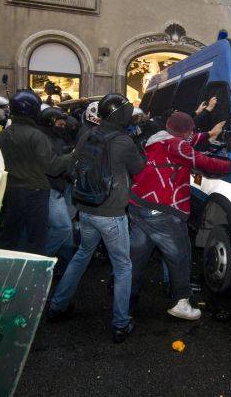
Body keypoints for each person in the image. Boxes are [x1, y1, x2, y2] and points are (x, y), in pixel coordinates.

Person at [129, 111, 231, 320]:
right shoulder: (178, 146)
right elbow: (203, 162)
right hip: (163, 209)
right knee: (180, 255)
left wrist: (208, 134)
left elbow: (187, 141)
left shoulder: (158, 138)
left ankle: (125, 301)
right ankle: (180, 302)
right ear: (186, 132)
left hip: (139, 204)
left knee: (136, 258)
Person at [47, 93, 145, 344]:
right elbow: (139, 170)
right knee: (123, 266)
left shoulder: (88, 133)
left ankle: (57, 306)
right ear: (122, 115)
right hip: (111, 214)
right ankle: (121, 323)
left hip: (86, 208)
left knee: (82, 255)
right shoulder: (124, 141)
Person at [0, 90, 73, 254]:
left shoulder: (3, 134)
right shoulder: (37, 136)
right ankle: (32, 275)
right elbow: (53, 167)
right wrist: (72, 156)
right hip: (35, 192)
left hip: (10, 190)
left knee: (12, 236)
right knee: (36, 238)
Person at [39, 106, 75, 269]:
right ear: (50, 122)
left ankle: (65, 262)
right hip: (50, 188)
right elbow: (52, 166)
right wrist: (72, 156)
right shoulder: (43, 140)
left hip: (59, 186)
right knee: (63, 227)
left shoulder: (56, 138)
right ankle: (41, 260)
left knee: (65, 225)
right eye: (60, 125)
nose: (63, 128)